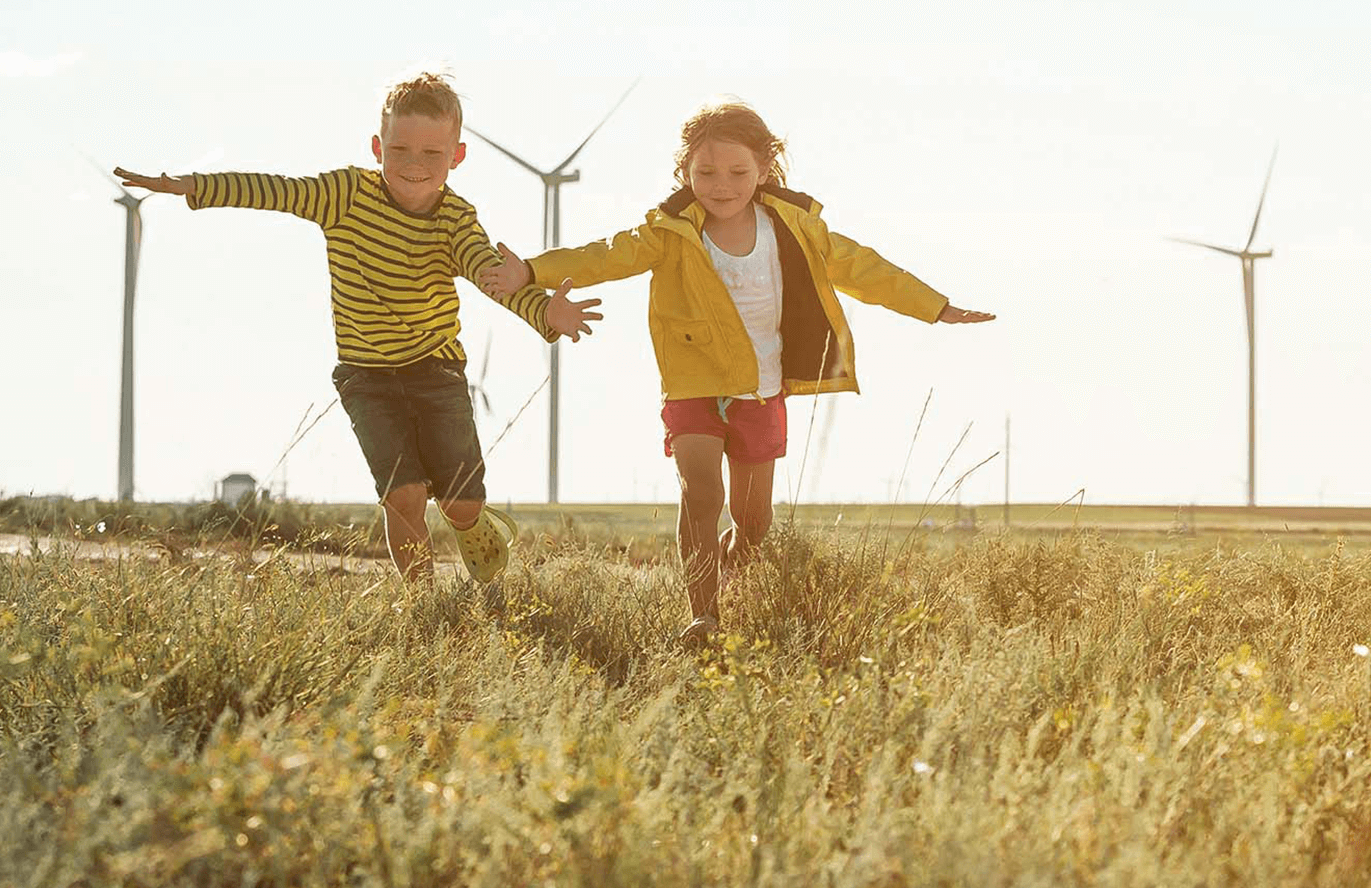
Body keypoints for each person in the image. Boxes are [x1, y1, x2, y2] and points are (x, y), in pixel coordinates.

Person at [478, 99, 991, 643]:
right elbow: (605, 255)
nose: (721, 185)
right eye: (705, 173)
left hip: (762, 390)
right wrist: (533, 269)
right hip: (694, 385)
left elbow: (864, 267)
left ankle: (726, 569)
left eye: (737, 172)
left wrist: (934, 306)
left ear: (764, 170)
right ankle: (703, 614)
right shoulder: (671, 233)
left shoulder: (794, 227)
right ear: (686, 173)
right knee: (702, 495)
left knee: (754, 524)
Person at [114, 69, 601, 585]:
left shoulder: (456, 218)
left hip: (437, 370)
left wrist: (544, 311)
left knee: (460, 503)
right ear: (377, 147)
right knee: (403, 494)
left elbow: (490, 273)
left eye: (432, 154)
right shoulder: (345, 194)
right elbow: (274, 191)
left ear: (456, 156)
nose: (414, 165)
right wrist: (195, 186)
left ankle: (472, 522)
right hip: (366, 377)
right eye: (400, 150)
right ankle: (422, 598)